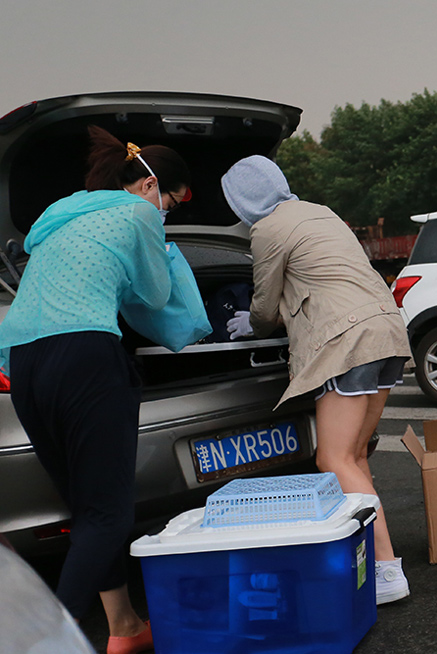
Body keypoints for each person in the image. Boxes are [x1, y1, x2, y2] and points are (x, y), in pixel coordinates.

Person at [0, 126, 192, 654]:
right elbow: (153, 296)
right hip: (84, 355)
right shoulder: (139, 214)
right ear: (153, 187)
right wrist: (164, 252)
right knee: (108, 514)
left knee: (86, 510)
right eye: (173, 201)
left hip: (23, 362)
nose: (168, 210)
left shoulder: (61, 213)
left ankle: (125, 628)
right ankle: (38, 644)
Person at [220, 155, 413, 604]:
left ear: (242, 200)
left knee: (332, 459)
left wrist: (252, 321)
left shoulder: (267, 228)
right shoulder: (318, 211)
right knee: (355, 457)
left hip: (346, 341)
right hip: (385, 329)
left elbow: (266, 305)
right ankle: (371, 562)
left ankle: (386, 570)